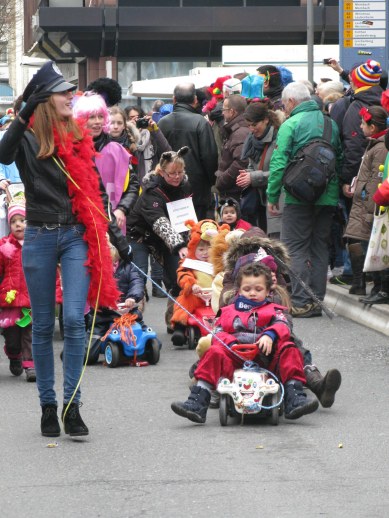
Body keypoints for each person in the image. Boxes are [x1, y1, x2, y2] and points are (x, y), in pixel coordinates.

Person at [0, 61, 132, 438]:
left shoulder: (77, 134)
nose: (71, 96)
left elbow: (92, 190)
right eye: (62, 91)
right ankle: (47, 404)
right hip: (39, 234)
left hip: (75, 235)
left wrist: (115, 238)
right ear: (44, 98)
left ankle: (72, 403)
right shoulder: (25, 136)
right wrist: (24, 111)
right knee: (42, 325)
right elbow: (3, 154)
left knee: (73, 319)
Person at [171, 262, 319, 424]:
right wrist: (231, 343)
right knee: (214, 351)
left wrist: (270, 335)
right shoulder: (229, 311)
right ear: (239, 291)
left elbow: (283, 325)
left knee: (289, 347)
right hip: (235, 361)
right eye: (247, 289)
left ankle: (294, 397)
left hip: (265, 360)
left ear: (268, 290)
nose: (252, 293)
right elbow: (218, 333)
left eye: (258, 289)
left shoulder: (275, 310)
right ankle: (197, 402)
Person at [267, 82, 343, 318]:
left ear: (291, 102)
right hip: (327, 196)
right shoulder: (331, 124)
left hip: (298, 197)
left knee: (295, 247)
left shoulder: (291, 124)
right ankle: (317, 300)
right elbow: (338, 159)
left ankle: (301, 301)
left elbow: (278, 163)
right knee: (320, 246)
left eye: (284, 104)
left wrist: (272, 195)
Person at [126, 147, 191, 303]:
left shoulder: (184, 186)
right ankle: (134, 318)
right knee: (138, 278)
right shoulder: (151, 192)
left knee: (179, 275)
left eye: (180, 172)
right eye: (172, 173)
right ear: (162, 173)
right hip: (139, 236)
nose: (177, 177)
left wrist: (190, 243)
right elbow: (160, 223)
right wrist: (180, 245)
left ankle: (176, 320)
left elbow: (186, 219)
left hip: (166, 239)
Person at [73, 93, 139, 233]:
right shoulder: (72, 151)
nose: (97, 122)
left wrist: (122, 209)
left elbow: (133, 185)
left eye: (100, 116)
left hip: (114, 223)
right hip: (79, 226)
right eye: (92, 117)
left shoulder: (117, 150)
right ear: (81, 119)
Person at [343, 105, 388, 297]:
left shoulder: (380, 148)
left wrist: (371, 210)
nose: (360, 126)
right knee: (356, 241)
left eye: (363, 123)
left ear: (373, 127)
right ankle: (359, 282)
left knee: (373, 246)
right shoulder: (373, 144)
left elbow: (375, 182)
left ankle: (377, 286)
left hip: (368, 206)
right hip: (362, 204)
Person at [158, 82, 218, 219]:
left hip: (167, 185)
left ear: (174, 99)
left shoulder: (162, 123)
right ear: (195, 100)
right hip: (197, 189)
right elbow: (210, 156)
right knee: (198, 232)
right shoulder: (201, 122)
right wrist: (210, 182)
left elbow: (156, 155)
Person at [85, 241, 145, 365]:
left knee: (143, 332)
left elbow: (137, 283)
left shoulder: (128, 267)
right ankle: (75, 352)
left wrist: (132, 298)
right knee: (89, 354)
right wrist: (102, 301)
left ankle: (146, 346)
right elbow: (91, 288)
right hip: (104, 315)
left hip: (127, 312)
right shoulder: (97, 270)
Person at [170, 219, 228, 346]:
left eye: (209, 249)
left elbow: (227, 276)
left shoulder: (220, 264)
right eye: (201, 249)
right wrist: (191, 284)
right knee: (184, 301)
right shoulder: (189, 263)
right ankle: (179, 328)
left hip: (216, 294)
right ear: (193, 249)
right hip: (197, 295)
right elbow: (183, 274)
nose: (205, 253)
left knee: (229, 302)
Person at [0, 201, 35, 382]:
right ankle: (14, 355)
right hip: (10, 300)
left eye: (22, 220)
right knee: (12, 336)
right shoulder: (5, 246)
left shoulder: (35, 245)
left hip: (29, 300)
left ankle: (30, 366)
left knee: (29, 334)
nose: (18, 224)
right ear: (9, 225)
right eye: (14, 222)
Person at [237, 101, 284, 234]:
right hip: (260, 201)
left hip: (276, 201)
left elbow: (281, 171)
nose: (251, 129)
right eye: (249, 125)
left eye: (255, 124)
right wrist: (247, 174)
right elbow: (252, 165)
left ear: (266, 120)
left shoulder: (279, 139)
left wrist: (253, 177)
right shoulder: (253, 140)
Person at [214, 94, 250, 201]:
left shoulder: (240, 132)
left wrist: (222, 180)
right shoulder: (235, 130)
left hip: (234, 191)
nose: (222, 113)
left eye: (224, 109)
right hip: (232, 189)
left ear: (232, 111)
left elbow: (241, 161)